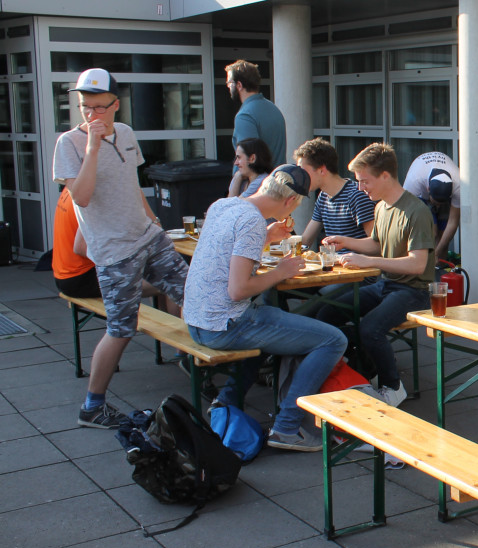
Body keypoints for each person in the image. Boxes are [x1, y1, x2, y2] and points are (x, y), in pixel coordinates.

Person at [52, 68, 189, 430]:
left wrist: (153, 220)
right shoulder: (68, 143)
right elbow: (80, 196)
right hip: (113, 252)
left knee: (193, 292)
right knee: (122, 329)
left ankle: (209, 366)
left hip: (147, 235)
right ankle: (92, 407)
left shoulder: (126, 133)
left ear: (116, 105)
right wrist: (93, 147)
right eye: (85, 107)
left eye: (99, 107)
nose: (92, 114)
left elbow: (131, 184)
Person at [182, 164, 347, 452]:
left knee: (277, 325)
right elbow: (238, 290)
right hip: (224, 325)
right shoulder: (252, 223)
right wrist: (281, 271)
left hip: (197, 319)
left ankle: (228, 402)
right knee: (333, 340)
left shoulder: (224, 205)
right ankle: (287, 426)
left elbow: (225, 253)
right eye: (296, 205)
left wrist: (268, 238)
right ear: (289, 201)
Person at [318, 143, 436, 408]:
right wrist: (344, 242)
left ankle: (392, 386)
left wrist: (366, 261)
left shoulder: (416, 211)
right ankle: (361, 368)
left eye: (364, 181)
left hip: (414, 291)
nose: (361, 188)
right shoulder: (381, 206)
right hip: (388, 285)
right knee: (327, 313)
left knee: (370, 328)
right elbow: (375, 244)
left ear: (385, 176)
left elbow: (418, 265)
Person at [293, 138, 375, 250]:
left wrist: (345, 243)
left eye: (303, 172)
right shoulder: (323, 196)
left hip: (357, 266)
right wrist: (274, 236)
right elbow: (305, 241)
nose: (300, 177)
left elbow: (376, 245)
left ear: (322, 170)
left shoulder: (357, 195)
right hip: (334, 264)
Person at [225, 59, 286, 165]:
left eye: (229, 83)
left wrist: (236, 180)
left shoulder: (245, 115)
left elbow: (246, 162)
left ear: (239, 85)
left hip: (260, 181)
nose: (228, 86)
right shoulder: (274, 109)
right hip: (278, 178)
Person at [401, 151, 460, 261]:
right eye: (436, 202)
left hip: (444, 191)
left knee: (442, 236)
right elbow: (404, 214)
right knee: (430, 231)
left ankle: (439, 269)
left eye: (441, 203)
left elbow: (453, 222)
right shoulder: (414, 181)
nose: (438, 205)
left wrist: (437, 253)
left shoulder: (458, 185)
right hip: (421, 196)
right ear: (428, 189)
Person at [52, 186, 101, 298]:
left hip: (63, 275)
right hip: (80, 277)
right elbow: (81, 248)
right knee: (139, 280)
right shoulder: (88, 195)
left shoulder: (71, 187)